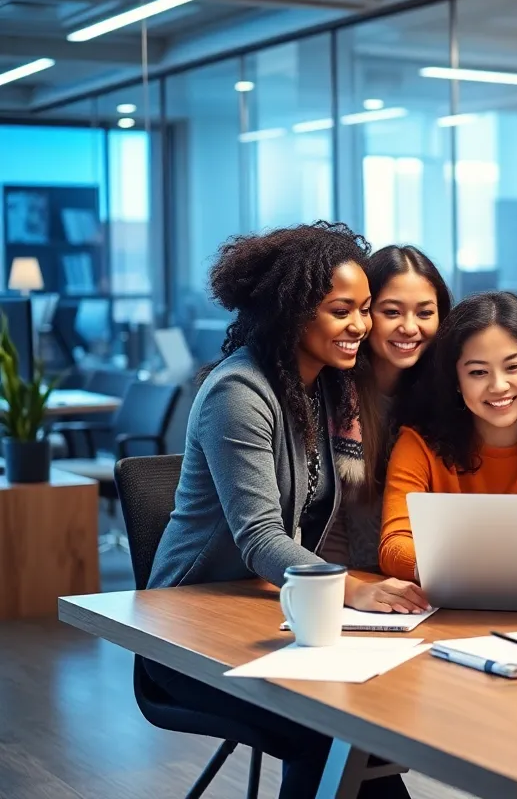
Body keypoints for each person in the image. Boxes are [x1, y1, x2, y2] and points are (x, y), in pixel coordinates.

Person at [147, 222, 422, 799]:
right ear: (293, 313)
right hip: (185, 634)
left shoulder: (324, 385)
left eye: (365, 309)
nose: (361, 327)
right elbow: (260, 537)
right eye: (341, 311)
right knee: (330, 731)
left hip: (264, 608)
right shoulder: (239, 392)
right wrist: (350, 588)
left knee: (367, 724)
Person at [379, 291, 517, 581]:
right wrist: (469, 571)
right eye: (478, 372)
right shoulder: (419, 439)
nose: (499, 386)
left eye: (514, 367)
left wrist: (462, 563)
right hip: (451, 601)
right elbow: (394, 546)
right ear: (455, 380)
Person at [335, 245, 452, 570]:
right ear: (365, 313)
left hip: (426, 577)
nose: (410, 327)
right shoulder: (334, 395)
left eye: (425, 313)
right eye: (392, 312)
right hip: (348, 581)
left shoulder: (448, 395)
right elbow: (326, 518)